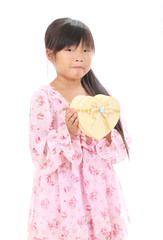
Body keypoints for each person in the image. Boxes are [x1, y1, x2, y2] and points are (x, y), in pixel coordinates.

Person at [27, 17, 132, 240]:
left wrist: (106, 134)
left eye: (86, 50)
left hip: (98, 192)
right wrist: (67, 133)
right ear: (50, 55)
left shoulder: (100, 95)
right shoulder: (44, 98)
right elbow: (40, 155)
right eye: (70, 49)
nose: (79, 56)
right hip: (60, 195)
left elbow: (122, 148)